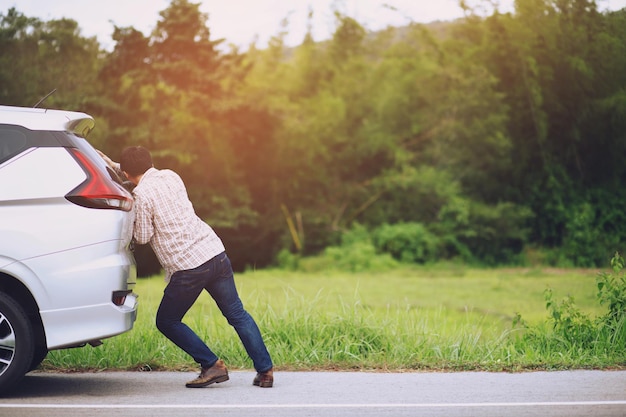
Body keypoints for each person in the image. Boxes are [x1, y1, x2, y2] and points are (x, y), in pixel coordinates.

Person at [102, 146, 273, 388]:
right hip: (214, 251)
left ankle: (212, 365)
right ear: (149, 162)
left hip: (188, 267)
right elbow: (136, 171)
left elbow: (142, 236)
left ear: (128, 173)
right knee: (237, 314)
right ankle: (265, 372)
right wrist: (113, 164)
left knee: (167, 321)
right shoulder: (171, 175)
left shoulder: (142, 196)